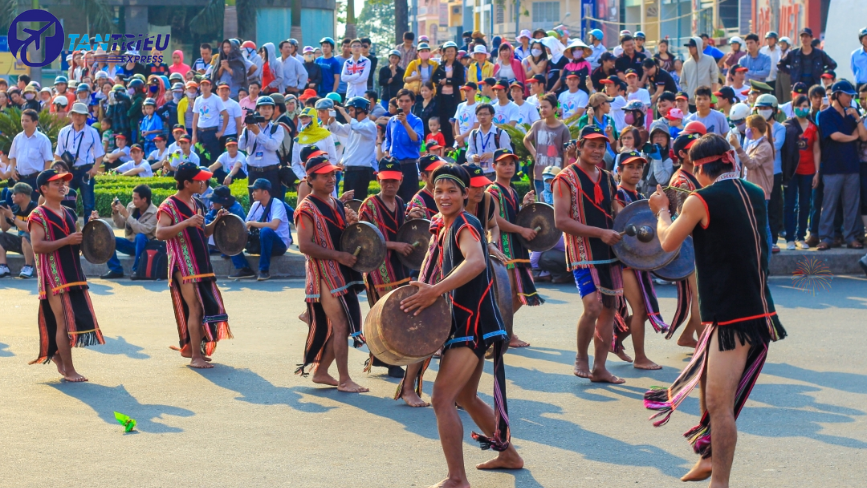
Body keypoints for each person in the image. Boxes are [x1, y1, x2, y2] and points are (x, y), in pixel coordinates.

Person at [645, 133, 787, 485]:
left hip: (733, 315)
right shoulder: (754, 192)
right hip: (755, 308)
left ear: (699, 167)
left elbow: (666, 242)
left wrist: (662, 210)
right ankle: (708, 460)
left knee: (720, 406)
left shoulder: (700, 199)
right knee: (708, 385)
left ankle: (719, 482)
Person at [398, 163, 523, 487]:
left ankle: (457, 478)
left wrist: (434, 291)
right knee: (465, 397)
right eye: (439, 190)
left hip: (472, 324)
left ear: (466, 194)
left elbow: (477, 261)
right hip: (467, 322)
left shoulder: (464, 223)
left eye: (452, 190)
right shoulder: (445, 224)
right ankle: (508, 454)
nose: (444, 196)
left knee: (441, 398)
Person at [551, 126, 624, 383]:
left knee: (610, 309)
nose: (597, 150)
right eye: (592, 145)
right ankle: (581, 356)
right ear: (579, 146)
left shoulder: (607, 177)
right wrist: (600, 232)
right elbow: (561, 221)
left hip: (610, 250)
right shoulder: (564, 178)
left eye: (601, 146)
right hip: (583, 252)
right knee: (593, 307)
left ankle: (600, 367)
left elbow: (616, 212)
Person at [294, 155, 368, 393]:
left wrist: (352, 225)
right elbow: (304, 246)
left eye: (333, 174)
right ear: (310, 179)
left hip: (341, 269)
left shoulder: (336, 203)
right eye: (325, 175)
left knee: (341, 326)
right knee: (340, 324)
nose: (331, 179)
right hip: (323, 273)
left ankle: (322, 372)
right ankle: (344, 379)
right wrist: (338, 256)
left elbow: (341, 237)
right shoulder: (306, 208)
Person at [28, 169, 105, 381]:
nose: (63, 186)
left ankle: (56, 355)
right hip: (53, 276)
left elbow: (77, 244)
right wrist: (67, 241)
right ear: (43, 188)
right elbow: (37, 246)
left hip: (73, 272)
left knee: (69, 322)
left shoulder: (70, 212)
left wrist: (92, 232)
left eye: (64, 182)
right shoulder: (38, 215)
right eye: (56, 183)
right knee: (63, 322)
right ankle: (69, 370)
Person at [155, 163, 233, 369]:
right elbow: (160, 233)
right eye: (198, 180)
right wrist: (186, 223)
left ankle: (193, 348)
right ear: (186, 182)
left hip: (200, 262)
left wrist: (216, 221)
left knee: (203, 307)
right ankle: (195, 357)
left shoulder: (197, 203)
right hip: (182, 263)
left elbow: (204, 232)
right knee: (195, 308)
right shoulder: (169, 205)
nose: (202, 183)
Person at [357, 158, 412, 379]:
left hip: (399, 265)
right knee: (387, 314)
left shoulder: (399, 202)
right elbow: (364, 239)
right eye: (385, 180)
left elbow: (403, 231)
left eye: (394, 180)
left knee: (398, 312)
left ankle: (385, 355)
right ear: (378, 179)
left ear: (401, 180)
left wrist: (412, 219)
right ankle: (390, 360)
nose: (389, 184)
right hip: (378, 267)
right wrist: (395, 244)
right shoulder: (369, 205)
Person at [612, 152, 665, 370]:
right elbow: (623, 225)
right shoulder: (618, 195)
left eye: (639, 167)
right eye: (630, 167)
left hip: (639, 260)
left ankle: (615, 339)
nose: (635, 171)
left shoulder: (640, 196)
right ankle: (640, 358)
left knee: (642, 310)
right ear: (619, 171)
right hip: (624, 261)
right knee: (641, 309)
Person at [488, 148, 543, 348]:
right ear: (494, 166)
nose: (508, 167)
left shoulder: (511, 190)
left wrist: (524, 206)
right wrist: (521, 229)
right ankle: (503, 333)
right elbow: (495, 220)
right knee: (507, 292)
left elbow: (512, 215)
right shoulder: (492, 191)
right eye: (503, 163)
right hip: (502, 247)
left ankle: (499, 328)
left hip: (517, 246)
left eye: (511, 163)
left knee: (521, 293)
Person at [815, 81, 867, 251]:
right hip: (832, 167)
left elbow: (864, 137)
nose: (851, 98)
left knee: (852, 205)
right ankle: (826, 237)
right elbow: (836, 136)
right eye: (848, 95)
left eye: (852, 95)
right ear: (837, 94)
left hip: (852, 166)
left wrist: (858, 119)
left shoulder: (853, 113)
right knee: (829, 204)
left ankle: (851, 237)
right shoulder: (825, 115)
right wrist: (853, 137)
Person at [54, 103, 105, 224]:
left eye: (81, 114)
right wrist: (60, 172)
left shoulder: (92, 132)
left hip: (85, 169)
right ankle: (68, 229)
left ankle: (89, 233)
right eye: (75, 114)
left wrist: (94, 169)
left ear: (86, 116)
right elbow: (58, 154)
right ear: (71, 115)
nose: (78, 117)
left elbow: (99, 153)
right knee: (66, 201)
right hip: (68, 170)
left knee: (88, 204)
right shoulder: (64, 131)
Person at [781, 95, 819, 250]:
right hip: (791, 171)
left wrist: (817, 172)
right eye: (799, 105)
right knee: (789, 204)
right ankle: (789, 237)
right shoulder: (787, 126)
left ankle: (801, 236)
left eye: (805, 105)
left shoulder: (813, 127)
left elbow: (817, 150)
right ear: (794, 107)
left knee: (805, 204)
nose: (802, 108)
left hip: (808, 171)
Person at [98, 183, 157, 279]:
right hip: (130, 243)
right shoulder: (131, 206)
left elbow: (142, 230)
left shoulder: (155, 213)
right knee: (108, 239)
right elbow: (120, 225)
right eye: (132, 198)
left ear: (144, 199)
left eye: (135, 198)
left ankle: (137, 270)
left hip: (145, 245)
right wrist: (116, 213)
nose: (133, 201)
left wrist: (126, 215)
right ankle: (116, 269)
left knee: (140, 236)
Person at [328, 97, 377, 199]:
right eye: (348, 111)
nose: (349, 113)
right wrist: (332, 117)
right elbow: (335, 129)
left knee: (357, 203)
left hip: (361, 171)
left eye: (351, 110)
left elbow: (358, 127)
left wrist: (343, 113)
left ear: (360, 109)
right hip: (349, 171)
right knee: (347, 203)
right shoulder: (352, 125)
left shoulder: (370, 125)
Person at [240, 96, 286, 201]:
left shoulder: (277, 128)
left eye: (269, 108)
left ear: (273, 110)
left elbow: (273, 146)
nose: (266, 111)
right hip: (253, 172)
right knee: (255, 204)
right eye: (263, 108)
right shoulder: (251, 127)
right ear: (257, 110)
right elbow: (241, 146)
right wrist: (246, 130)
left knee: (274, 204)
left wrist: (258, 133)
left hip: (271, 172)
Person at [524, 93, 571, 195]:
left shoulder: (563, 128)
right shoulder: (537, 125)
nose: (543, 110)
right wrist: (534, 153)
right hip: (539, 175)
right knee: (542, 207)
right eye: (541, 107)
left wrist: (563, 173)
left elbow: (566, 153)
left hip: (556, 175)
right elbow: (526, 140)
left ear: (554, 109)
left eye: (546, 107)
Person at [243, 178, 291, 281]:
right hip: (263, 242)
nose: (253, 193)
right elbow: (245, 224)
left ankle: (264, 271)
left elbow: (274, 225)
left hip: (279, 245)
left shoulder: (277, 204)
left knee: (266, 230)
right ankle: (242, 268)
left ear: (265, 192)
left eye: (256, 190)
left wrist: (251, 223)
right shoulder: (256, 205)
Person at [383, 89, 423, 203]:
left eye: (407, 101)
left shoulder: (416, 121)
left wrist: (405, 123)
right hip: (394, 165)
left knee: (410, 200)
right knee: (392, 199)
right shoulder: (392, 120)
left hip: (409, 165)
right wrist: (387, 156)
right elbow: (388, 141)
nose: (404, 104)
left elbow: (417, 140)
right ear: (397, 102)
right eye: (401, 101)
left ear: (412, 102)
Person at [7, 109, 53, 202]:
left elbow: (48, 160)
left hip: (35, 179)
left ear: (35, 122)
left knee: (35, 207)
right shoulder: (18, 138)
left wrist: (43, 179)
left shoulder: (43, 139)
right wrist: (12, 170)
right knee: (18, 207)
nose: (24, 123)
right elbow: (12, 156)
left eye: (27, 121)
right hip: (20, 179)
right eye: (22, 120)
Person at [0, 182, 37, 278]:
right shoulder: (15, 209)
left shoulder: (35, 209)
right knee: (1, 236)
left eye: (14, 194)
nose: (11, 196)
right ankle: (3, 266)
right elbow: (4, 228)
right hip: (22, 245)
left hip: (37, 245)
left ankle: (28, 266)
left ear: (22, 195)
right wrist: (2, 214)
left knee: (25, 235)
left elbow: (29, 228)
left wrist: (12, 216)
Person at [466, 103, 512, 177]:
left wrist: (493, 155)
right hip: (479, 174)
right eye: (479, 114)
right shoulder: (474, 133)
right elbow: (469, 153)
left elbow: (509, 153)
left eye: (486, 114)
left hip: (496, 174)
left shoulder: (500, 133)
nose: (482, 117)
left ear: (492, 115)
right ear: (476, 116)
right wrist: (473, 157)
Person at [191, 79, 228, 166]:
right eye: (203, 85)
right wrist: (194, 134)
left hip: (211, 131)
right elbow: (195, 118)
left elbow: (226, 115)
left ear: (211, 87)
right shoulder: (198, 100)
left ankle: (213, 178)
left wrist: (222, 131)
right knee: (200, 156)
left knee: (213, 157)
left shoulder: (216, 99)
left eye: (207, 85)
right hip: (200, 132)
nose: (205, 87)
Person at [681, 37, 720, 105]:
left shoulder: (710, 60)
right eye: (689, 47)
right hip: (692, 101)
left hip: (707, 100)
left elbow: (714, 79)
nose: (690, 48)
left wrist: (712, 94)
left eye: (692, 46)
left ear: (698, 46)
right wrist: (689, 92)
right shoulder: (686, 64)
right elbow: (682, 82)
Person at [406, 155, 443, 220]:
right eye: (434, 171)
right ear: (423, 175)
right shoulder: (419, 201)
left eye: (441, 169)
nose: (440, 174)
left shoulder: (447, 192)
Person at [216, 81, 243, 150]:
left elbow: (238, 121)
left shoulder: (234, 104)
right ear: (217, 91)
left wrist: (239, 136)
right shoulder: (214, 103)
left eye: (226, 90)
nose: (224, 93)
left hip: (231, 134)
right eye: (222, 90)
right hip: (217, 134)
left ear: (229, 92)